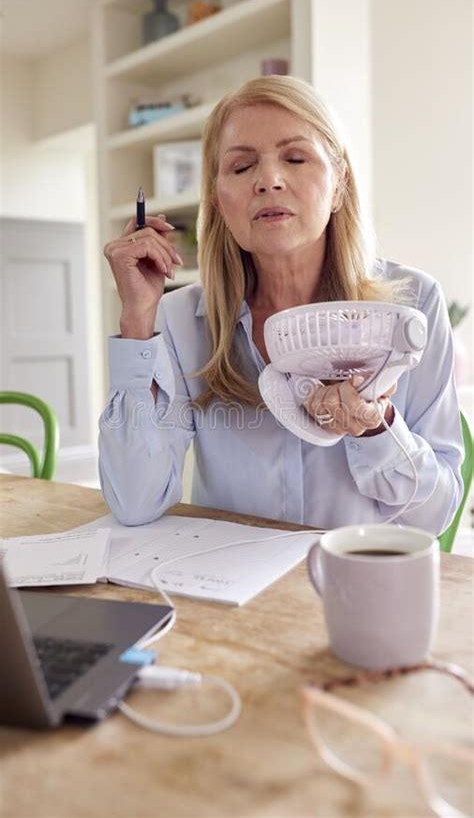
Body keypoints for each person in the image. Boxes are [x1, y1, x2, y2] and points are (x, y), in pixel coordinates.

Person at [99, 75, 463, 532]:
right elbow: (135, 503)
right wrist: (136, 321)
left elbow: (434, 517)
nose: (268, 181)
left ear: (339, 184)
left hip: (357, 586)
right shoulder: (178, 321)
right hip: (234, 593)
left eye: (295, 158)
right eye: (241, 167)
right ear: (217, 199)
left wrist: (375, 428)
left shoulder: (414, 302)